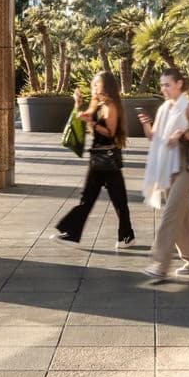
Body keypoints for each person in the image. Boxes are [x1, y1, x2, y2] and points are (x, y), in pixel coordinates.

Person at [138, 66, 189, 282]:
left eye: (167, 84)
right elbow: (154, 138)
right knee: (182, 217)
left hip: (187, 168)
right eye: (162, 85)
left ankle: (160, 264)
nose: (164, 88)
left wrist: (184, 134)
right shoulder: (163, 109)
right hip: (168, 168)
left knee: (171, 214)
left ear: (179, 84)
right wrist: (147, 126)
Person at [53, 71, 136, 249]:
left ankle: (126, 235)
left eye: (96, 84)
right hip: (97, 159)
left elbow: (110, 132)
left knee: (118, 200)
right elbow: (87, 116)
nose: (94, 87)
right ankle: (72, 232)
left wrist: (92, 123)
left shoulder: (111, 106)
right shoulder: (97, 103)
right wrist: (78, 104)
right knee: (87, 198)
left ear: (105, 86)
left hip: (108, 159)